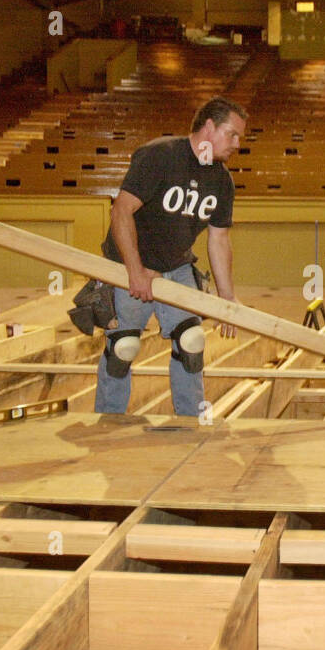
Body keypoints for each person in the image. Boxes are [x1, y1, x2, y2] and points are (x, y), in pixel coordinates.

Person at [94, 95, 246, 416]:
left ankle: (190, 421)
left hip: (176, 266)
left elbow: (218, 240)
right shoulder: (160, 156)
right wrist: (135, 271)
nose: (237, 144)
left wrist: (226, 297)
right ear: (208, 127)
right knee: (123, 348)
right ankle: (108, 420)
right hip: (128, 263)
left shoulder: (221, 181)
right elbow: (121, 211)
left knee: (191, 342)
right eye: (232, 134)